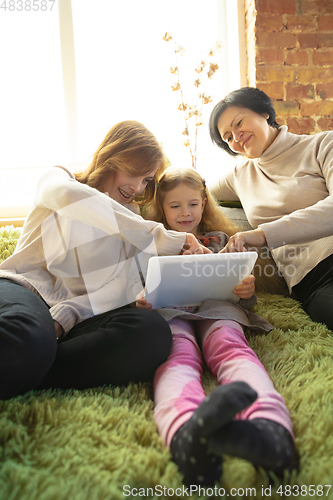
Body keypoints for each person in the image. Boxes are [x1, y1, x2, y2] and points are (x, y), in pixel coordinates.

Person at [0, 121, 210, 401]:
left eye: (146, 179)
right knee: (27, 334)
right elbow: (70, 197)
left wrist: (66, 316)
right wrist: (162, 236)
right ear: (112, 156)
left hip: (78, 316)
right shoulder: (60, 179)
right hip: (25, 290)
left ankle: (32, 364)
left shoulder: (132, 217)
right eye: (134, 173)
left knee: (152, 333)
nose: (137, 187)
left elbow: (120, 286)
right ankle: (31, 354)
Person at [137, 167, 298, 486]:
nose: (186, 212)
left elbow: (243, 298)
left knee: (231, 347)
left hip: (218, 311)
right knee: (176, 356)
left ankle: (270, 429)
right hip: (172, 314)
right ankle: (185, 433)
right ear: (161, 207)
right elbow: (139, 288)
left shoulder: (222, 240)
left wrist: (246, 292)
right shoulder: (152, 242)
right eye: (175, 206)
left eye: (193, 204)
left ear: (204, 202)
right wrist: (140, 299)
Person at [209, 86, 333, 331]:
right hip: (312, 280)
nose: (236, 137)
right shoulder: (239, 175)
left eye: (239, 123)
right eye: (227, 137)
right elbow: (194, 189)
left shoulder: (321, 144)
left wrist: (262, 235)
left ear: (264, 112)